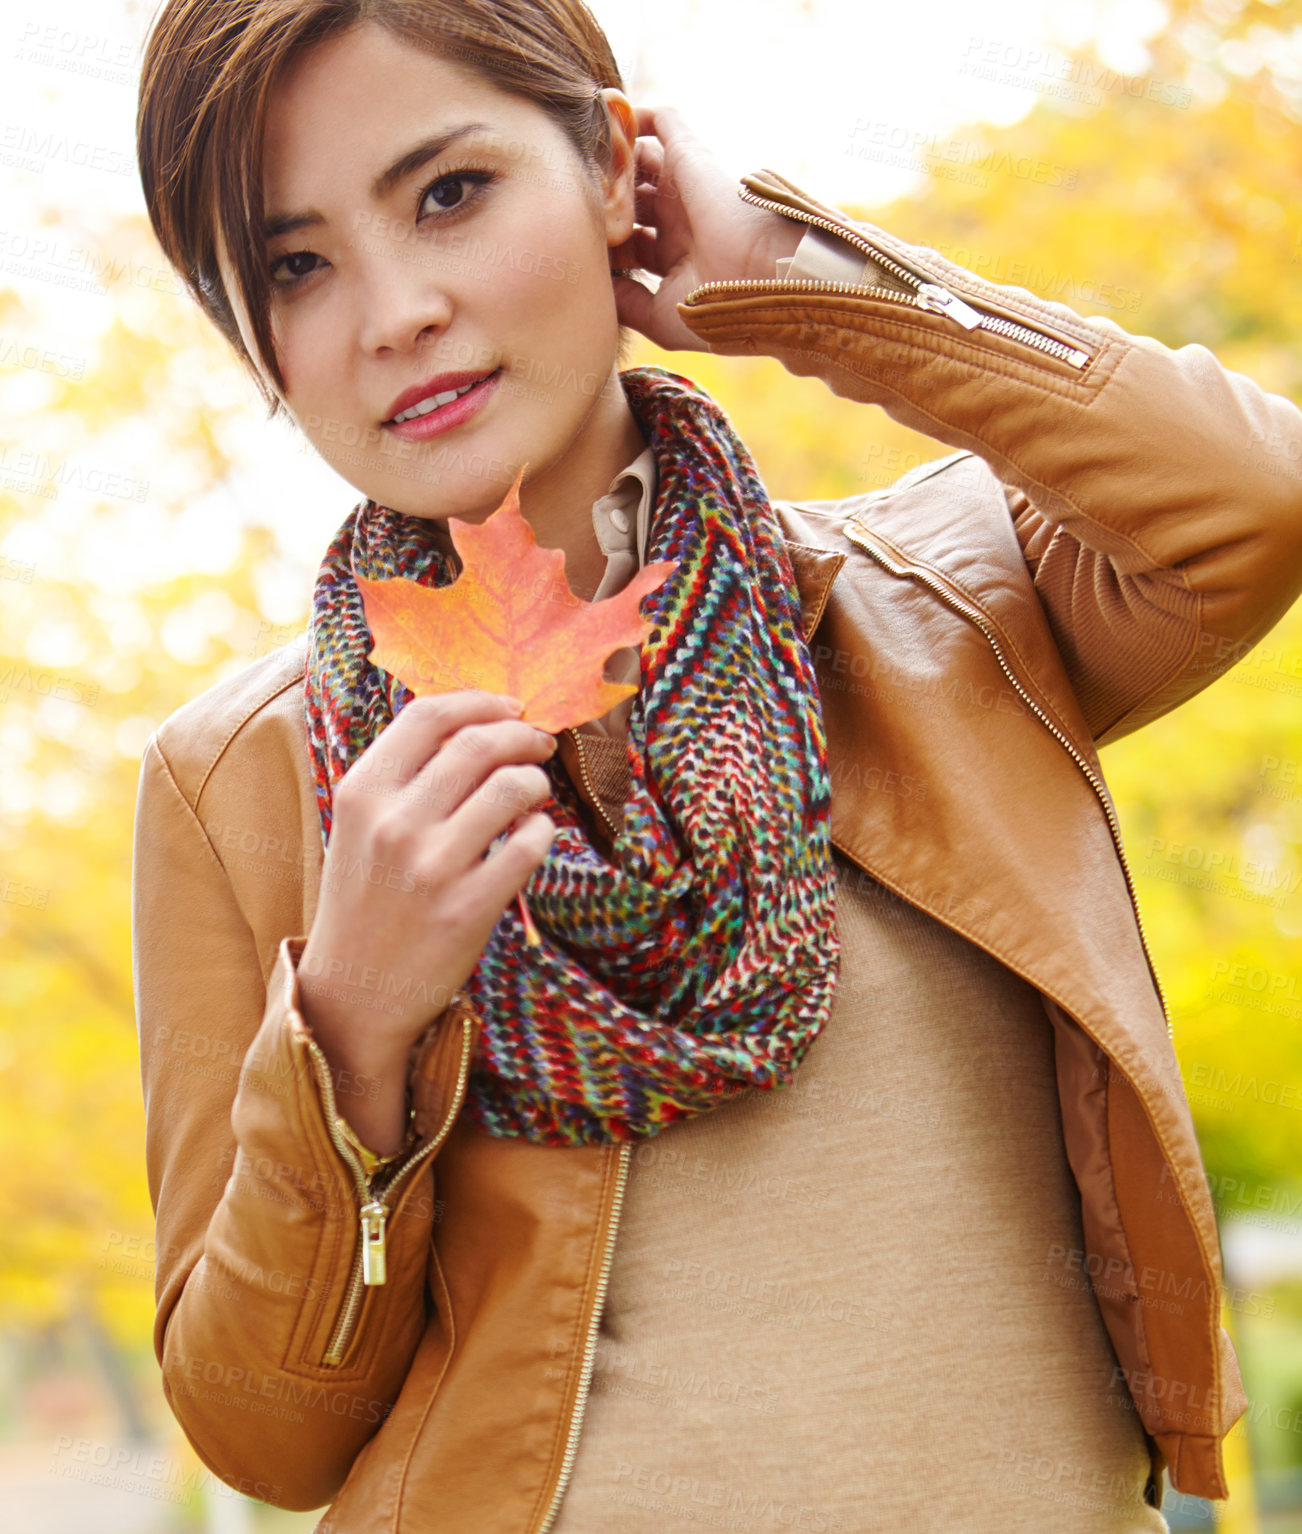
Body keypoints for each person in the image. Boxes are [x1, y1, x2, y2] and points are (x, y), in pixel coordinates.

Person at [130, 1, 1302, 1529]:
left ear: (622, 169)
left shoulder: (952, 604)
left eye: (450, 192)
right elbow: (260, 1433)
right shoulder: (242, 780)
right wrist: (347, 1031)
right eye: (296, 263)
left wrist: (792, 281)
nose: (395, 306)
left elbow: (1252, 502)